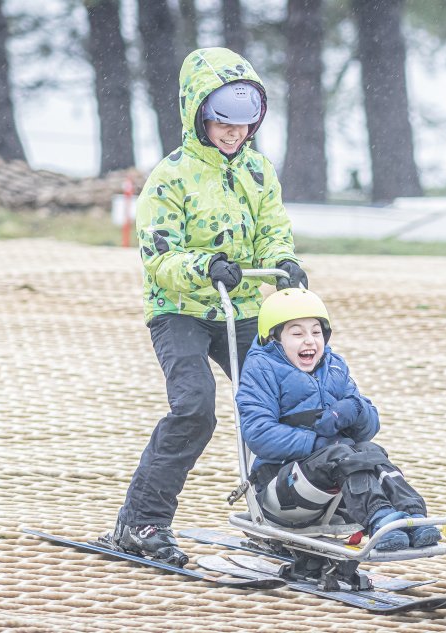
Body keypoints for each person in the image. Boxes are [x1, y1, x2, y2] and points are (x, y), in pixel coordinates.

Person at [101, 47, 308, 565]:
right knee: (195, 408)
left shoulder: (259, 171)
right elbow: (159, 255)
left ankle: (284, 514)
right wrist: (204, 266)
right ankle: (141, 522)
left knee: (282, 402)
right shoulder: (170, 177)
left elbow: (273, 229)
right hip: (180, 310)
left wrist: (284, 263)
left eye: (245, 124)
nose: (234, 135)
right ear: (198, 114)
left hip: (239, 309)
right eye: (223, 123)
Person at [235, 289, 441, 552]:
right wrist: (316, 441)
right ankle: (380, 519)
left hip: (334, 490)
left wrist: (355, 408)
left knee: (370, 451)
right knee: (340, 453)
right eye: (297, 334)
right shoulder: (261, 368)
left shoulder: (333, 366)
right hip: (281, 487)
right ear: (274, 338)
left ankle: (412, 516)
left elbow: (368, 429)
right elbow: (259, 433)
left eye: (316, 332)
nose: (309, 341)